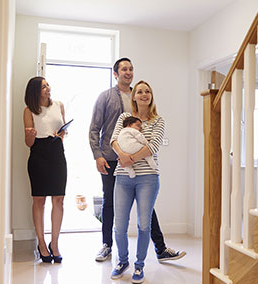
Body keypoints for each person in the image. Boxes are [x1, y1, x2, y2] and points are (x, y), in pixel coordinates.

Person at [89, 57, 186, 264]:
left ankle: (160, 249)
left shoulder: (139, 95)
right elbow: (95, 129)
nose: (128, 72)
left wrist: (133, 156)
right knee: (109, 204)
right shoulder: (105, 97)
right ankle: (107, 246)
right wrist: (97, 155)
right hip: (111, 158)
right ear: (115, 73)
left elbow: (152, 142)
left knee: (146, 208)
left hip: (141, 164)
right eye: (124, 69)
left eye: (131, 69)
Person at [110, 80, 164, 282]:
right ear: (134, 96)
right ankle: (122, 261)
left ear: (151, 96)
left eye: (147, 91)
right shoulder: (125, 117)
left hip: (148, 179)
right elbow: (114, 140)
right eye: (140, 91)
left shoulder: (158, 120)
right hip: (123, 178)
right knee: (120, 225)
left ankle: (139, 266)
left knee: (143, 224)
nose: (143, 94)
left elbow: (153, 146)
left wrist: (128, 158)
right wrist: (122, 155)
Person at [23, 76, 67, 263]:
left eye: (48, 84)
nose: (48, 88)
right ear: (35, 91)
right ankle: (41, 243)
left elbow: (63, 131)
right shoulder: (29, 110)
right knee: (39, 200)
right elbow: (28, 143)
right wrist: (30, 134)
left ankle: (54, 243)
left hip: (57, 152)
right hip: (38, 153)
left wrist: (62, 133)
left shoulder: (59, 105)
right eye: (43, 87)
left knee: (59, 199)